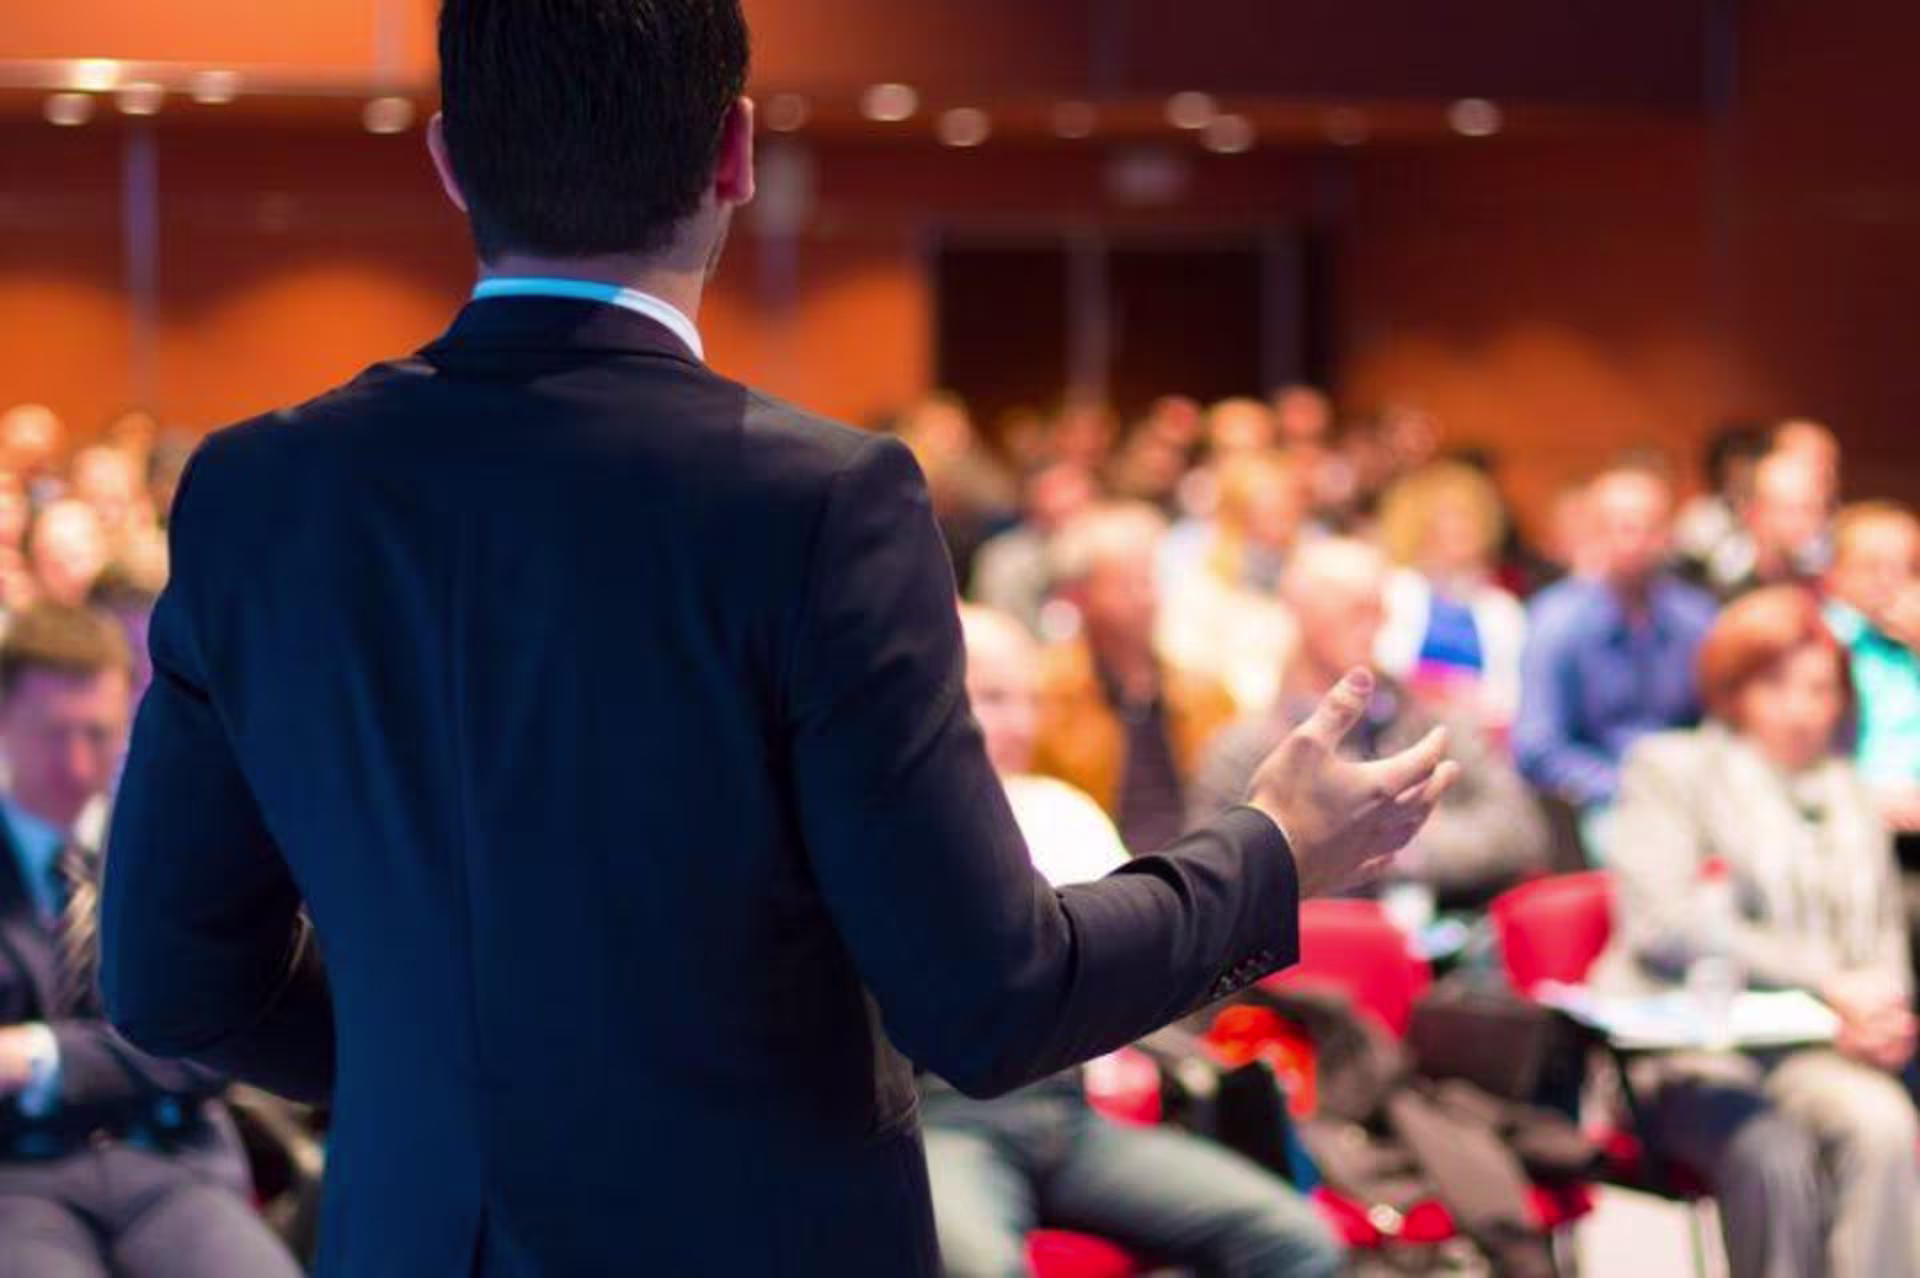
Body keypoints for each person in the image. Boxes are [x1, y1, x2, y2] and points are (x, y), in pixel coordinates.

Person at [96, 4, 1457, 1275]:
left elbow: (167, 982)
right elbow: (989, 998)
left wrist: (447, 1060)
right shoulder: (817, 504)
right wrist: (1268, 848)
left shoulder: (258, 492)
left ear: (450, 162)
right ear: (735, 150)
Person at [923, 607, 1343, 1278]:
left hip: (1067, 1113)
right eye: (996, 698)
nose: (1023, 724)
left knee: (1298, 1239)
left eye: (1031, 701)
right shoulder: (900, 835)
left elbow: (1150, 954)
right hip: (948, 1118)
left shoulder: (1061, 808)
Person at [1594, 588, 1920, 1278]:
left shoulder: (1851, 791)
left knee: (1884, 1123)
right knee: (1773, 1152)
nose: (1800, 710)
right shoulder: (1673, 770)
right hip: (1693, 1044)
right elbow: (1666, 925)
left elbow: (1884, 930)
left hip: (1815, 1044)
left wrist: (1884, 1008)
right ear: (1733, 688)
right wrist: (1827, 980)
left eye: (1820, 690)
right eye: (1776, 686)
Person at [0, 604, 301, 1278]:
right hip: (15, 1178)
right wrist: (121, 1053)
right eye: (54, 735)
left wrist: (37, 1054)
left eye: (99, 735)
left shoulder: (167, 847)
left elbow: (208, 1046)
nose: (78, 765)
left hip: (171, 1158)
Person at [1189, 539, 1547, 907]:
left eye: (1378, 607)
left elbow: (1518, 833)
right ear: (1297, 610)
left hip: (1445, 939)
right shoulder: (1244, 746)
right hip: (1311, 950)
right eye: (1350, 606)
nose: (1373, 621)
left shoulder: (1438, 722)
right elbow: (1217, 877)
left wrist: (1395, 846)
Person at [1034, 502, 1241, 854]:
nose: (1147, 598)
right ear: (1079, 597)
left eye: (1150, 580)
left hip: (1195, 874)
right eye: (1127, 584)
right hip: (1095, 881)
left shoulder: (1207, 694)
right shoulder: (1043, 693)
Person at [1514, 464, 1718, 814]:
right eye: (1622, 528)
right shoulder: (1556, 621)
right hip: (1599, 801)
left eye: (1650, 528)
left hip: (1689, 792)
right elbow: (1538, 747)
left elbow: (1722, 724)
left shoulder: (1698, 618)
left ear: (1669, 534)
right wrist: (1624, 788)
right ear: (1593, 534)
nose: (1635, 542)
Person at [1372, 460, 1528, 735]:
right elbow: (1383, 668)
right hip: (1399, 730)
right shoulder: (1392, 590)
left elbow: (1511, 696)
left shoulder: (1501, 608)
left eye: (1469, 517)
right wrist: (1445, 690)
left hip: (1479, 739)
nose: (1461, 528)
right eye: (1449, 516)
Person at [1159, 452, 1308, 716]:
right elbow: (1186, 665)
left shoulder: (1309, 576)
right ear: (1236, 519)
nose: (1283, 528)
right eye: (1269, 516)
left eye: (1289, 515)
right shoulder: (1202, 585)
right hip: (1228, 719)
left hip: (1297, 713)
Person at [967, 460, 1099, 637]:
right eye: (1050, 491)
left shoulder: (1118, 546)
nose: (1059, 502)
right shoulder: (1002, 559)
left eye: (1068, 489)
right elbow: (998, 629)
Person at [26, 502, 109, 611]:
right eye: (56, 567)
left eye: (77, 559)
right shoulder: (29, 623)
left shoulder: (128, 607)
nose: (71, 573)